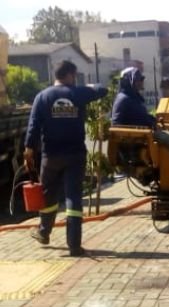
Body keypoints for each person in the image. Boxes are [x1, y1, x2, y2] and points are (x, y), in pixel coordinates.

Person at [23, 60, 107, 256]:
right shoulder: (78, 93)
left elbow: (33, 127)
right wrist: (87, 87)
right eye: (75, 76)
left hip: (50, 156)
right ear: (70, 74)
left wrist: (28, 150)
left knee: (48, 197)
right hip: (75, 156)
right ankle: (74, 245)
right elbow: (102, 90)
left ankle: (44, 232)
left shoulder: (42, 97)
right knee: (73, 198)